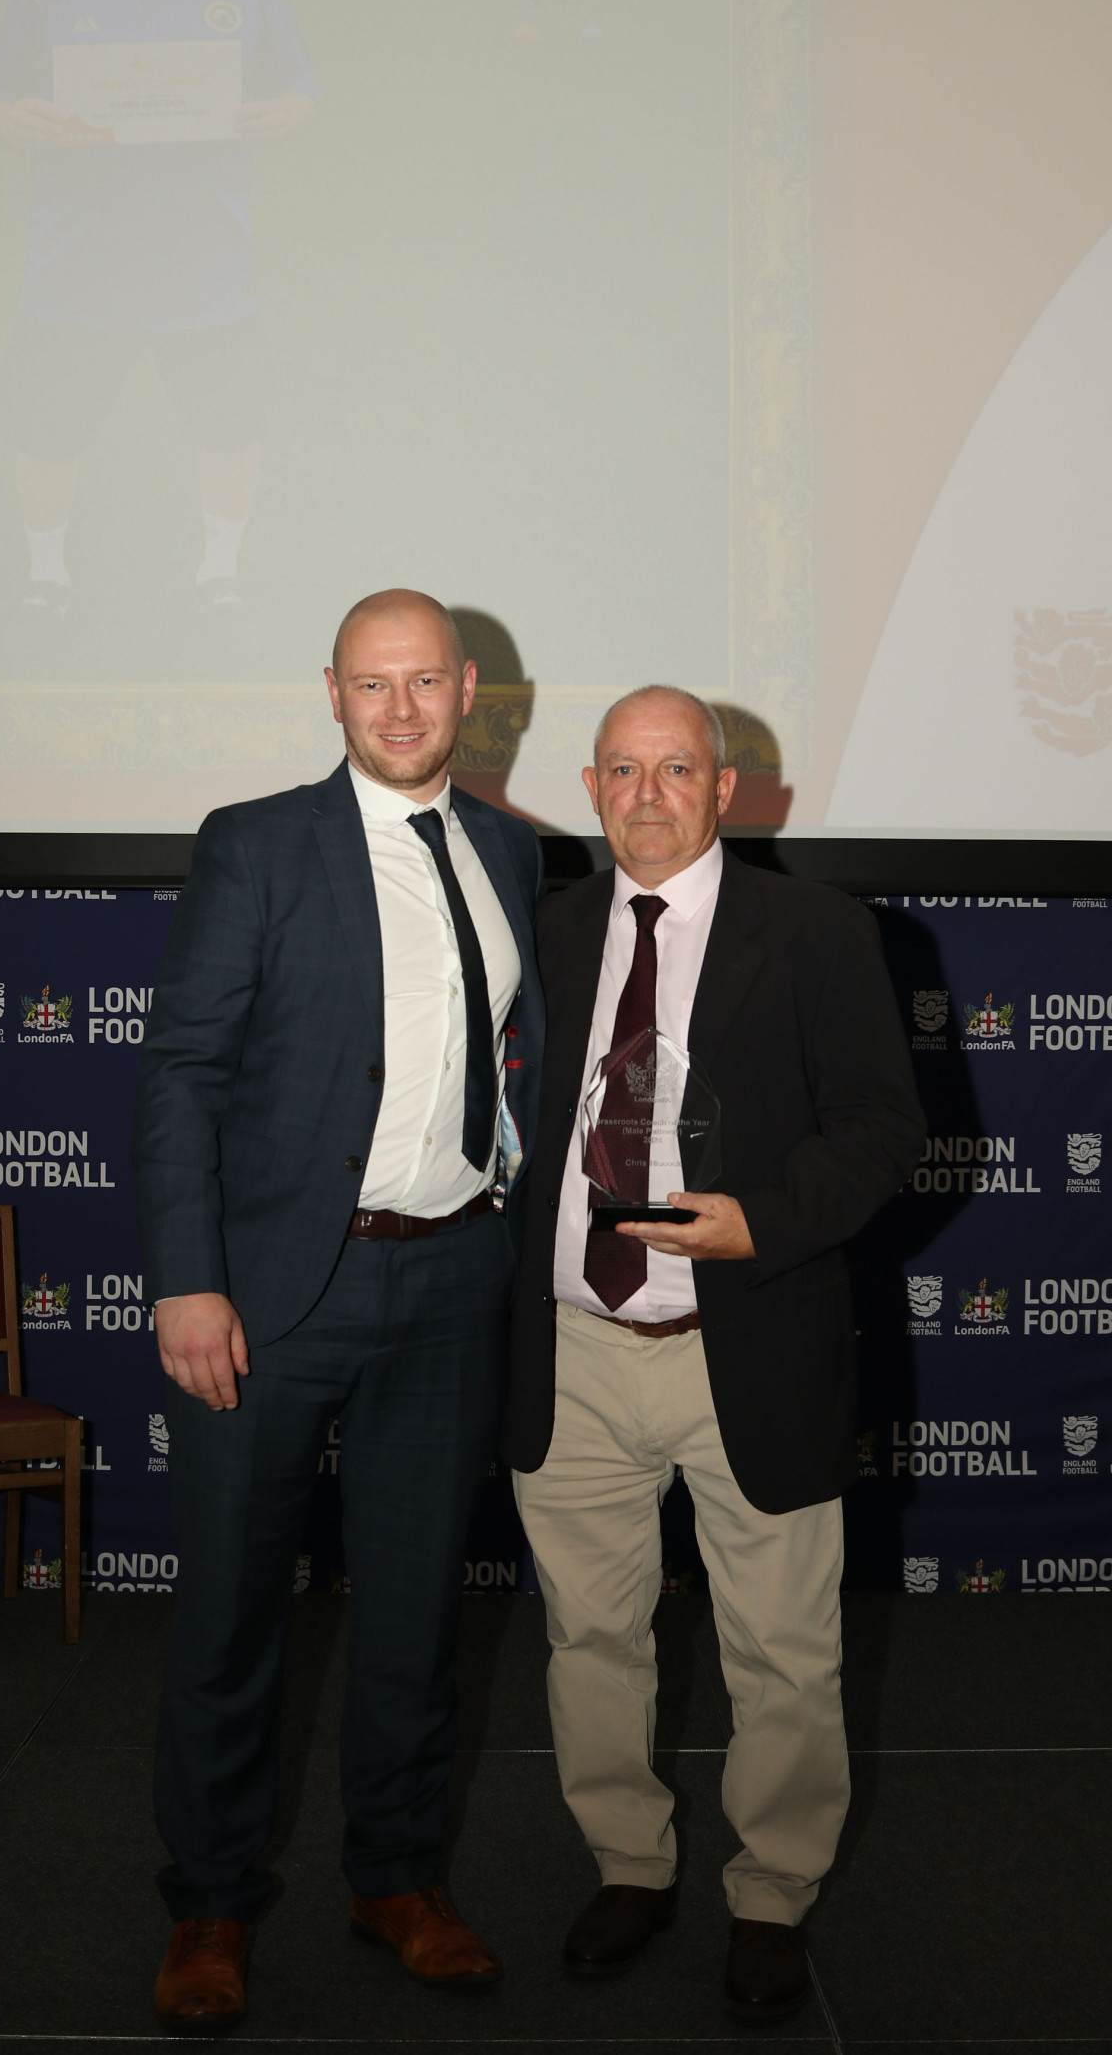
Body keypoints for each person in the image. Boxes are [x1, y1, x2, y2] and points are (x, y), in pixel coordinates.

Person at [132, 589, 544, 2027]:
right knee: (235, 1615)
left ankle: (396, 1879)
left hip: (449, 1280)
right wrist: (188, 1274)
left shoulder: (507, 847)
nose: (400, 708)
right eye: (371, 685)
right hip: (270, 1293)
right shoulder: (256, 842)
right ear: (331, 692)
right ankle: (210, 1902)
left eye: (423, 681)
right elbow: (183, 1070)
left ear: (470, 687)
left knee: (419, 1611)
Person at [503, 685, 925, 2019]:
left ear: (727, 787)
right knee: (589, 1638)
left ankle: (773, 1890)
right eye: (622, 768)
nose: (646, 792)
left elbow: (880, 1128)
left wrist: (767, 1221)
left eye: (674, 767)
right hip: (570, 1348)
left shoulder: (820, 931)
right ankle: (628, 1860)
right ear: (589, 783)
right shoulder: (544, 931)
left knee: (784, 1649)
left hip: (750, 1338)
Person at [0, 0, 316, 651]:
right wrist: (11, 121)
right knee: (45, 432)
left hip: (207, 264)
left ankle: (220, 580)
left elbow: (298, 90)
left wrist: (285, 111)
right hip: (76, 268)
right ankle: (46, 582)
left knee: (227, 427)